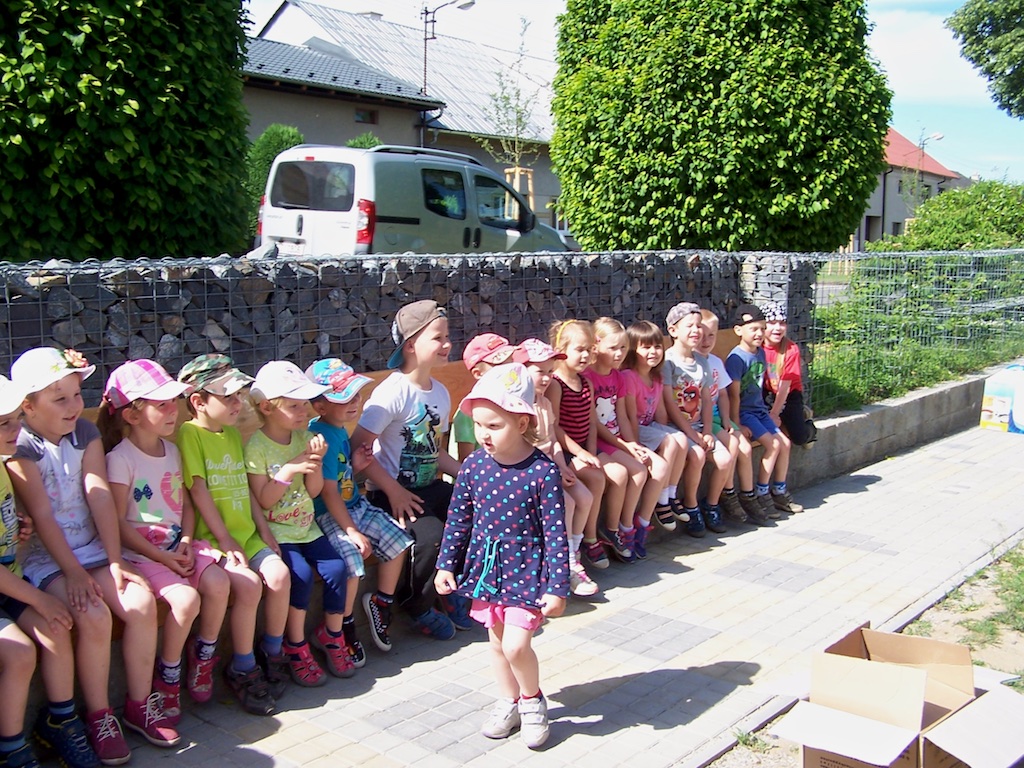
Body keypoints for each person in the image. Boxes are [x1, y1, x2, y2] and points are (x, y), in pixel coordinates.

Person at [7, 348, 178, 764]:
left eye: (75, 394)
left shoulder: (84, 433)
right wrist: (73, 573)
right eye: (59, 398)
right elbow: (42, 515)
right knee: (94, 615)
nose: (73, 405)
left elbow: (99, 495)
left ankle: (138, 704)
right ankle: (99, 716)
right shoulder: (21, 446)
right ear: (28, 405)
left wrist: (116, 560)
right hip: (48, 559)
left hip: (93, 550)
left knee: (140, 603)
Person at [434, 364, 569, 750]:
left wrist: (558, 587)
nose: (484, 435)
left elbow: (555, 534)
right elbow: (459, 520)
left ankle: (532, 701)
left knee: (516, 645)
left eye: (494, 426)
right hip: (487, 570)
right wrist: (446, 564)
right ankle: (508, 701)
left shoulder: (542, 472)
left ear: (522, 421)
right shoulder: (474, 466)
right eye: (479, 425)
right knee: (496, 644)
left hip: (527, 572)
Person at [99, 360, 231, 726]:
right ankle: (168, 675)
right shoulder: (119, 460)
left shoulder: (172, 451)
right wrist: (162, 556)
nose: (174, 410)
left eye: (174, 401)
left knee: (219, 583)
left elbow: (185, 505)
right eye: (162, 404)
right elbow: (118, 523)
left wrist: (186, 539)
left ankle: (203, 657)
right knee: (187, 600)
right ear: (132, 415)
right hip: (142, 555)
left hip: (178, 546)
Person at [175, 354, 286, 716]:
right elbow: (197, 490)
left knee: (279, 576)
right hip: (213, 541)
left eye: (239, 395)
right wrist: (224, 539)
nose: (238, 403)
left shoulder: (234, 435)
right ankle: (243, 666)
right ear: (198, 401)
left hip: (247, 537)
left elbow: (245, 488)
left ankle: (273, 654)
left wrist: (264, 530)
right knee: (250, 586)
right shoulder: (190, 435)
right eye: (228, 397)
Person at [0, 374, 100, 768]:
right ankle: (11, 748)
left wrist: (18, 529)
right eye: (4, 423)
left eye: (15, 419)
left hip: (10, 581)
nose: (16, 429)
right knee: (22, 651)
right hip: (11, 584)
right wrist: (39, 598)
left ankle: (61, 720)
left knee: (57, 627)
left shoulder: (2, 465)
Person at [349, 300, 460, 640]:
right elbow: (358, 450)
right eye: (438, 338)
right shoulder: (391, 394)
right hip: (391, 494)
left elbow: (435, 452)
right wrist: (394, 491)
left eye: (447, 336)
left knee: (475, 511)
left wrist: (468, 475)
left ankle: (450, 584)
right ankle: (417, 606)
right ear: (411, 345)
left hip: (428, 487)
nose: (447, 344)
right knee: (431, 538)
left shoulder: (440, 393)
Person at [245, 361, 352, 686]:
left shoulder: (305, 438)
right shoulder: (256, 447)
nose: (305, 411)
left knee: (337, 568)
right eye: (294, 406)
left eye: (305, 404)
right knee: (301, 575)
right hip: (278, 532)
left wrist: (315, 462)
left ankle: (332, 635)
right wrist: (289, 470)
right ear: (267, 408)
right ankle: (295, 644)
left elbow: (314, 491)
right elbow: (263, 500)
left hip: (307, 528)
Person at [305, 358, 414, 658]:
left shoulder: (339, 429)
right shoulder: (321, 437)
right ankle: (344, 625)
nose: (354, 402)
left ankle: (382, 603)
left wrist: (356, 467)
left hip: (355, 504)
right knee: (352, 563)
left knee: (399, 541)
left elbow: (340, 479)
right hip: (331, 515)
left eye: (355, 395)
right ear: (320, 406)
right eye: (344, 398)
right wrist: (351, 531)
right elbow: (328, 493)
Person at [513, 339, 598, 596]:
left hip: (551, 468)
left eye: (550, 371)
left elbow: (553, 442)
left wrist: (562, 466)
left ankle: (573, 554)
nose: (546, 378)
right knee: (567, 503)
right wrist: (554, 471)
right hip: (531, 474)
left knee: (585, 497)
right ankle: (564, 565)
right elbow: (526, 450)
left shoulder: (545, 404)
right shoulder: (517, 407)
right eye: (539, 371)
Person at [583, 318, 654, 562]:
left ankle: (626, 526)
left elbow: (621, 415)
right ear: (596, 346)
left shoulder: (618, 377)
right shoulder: (588, 377)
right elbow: (595, 423)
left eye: (623, 347)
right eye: (613, 348)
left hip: (616, 439)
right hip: (601, 440)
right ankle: (611, 529)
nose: (619, 353)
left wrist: (633, 444)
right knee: (624, 474)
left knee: (640, 470)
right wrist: (624, 445)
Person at [726, 305, 803, 517]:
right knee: (773, 444)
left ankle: (778, 491)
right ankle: (760, 493)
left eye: (762, 328)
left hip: (759, 410)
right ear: (738, 330)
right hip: (745, 414)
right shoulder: (736, 359)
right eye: (754, 329)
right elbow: (733, 395)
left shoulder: (759, 352)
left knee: (784, 443)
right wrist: (736, 424)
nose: (759, 333)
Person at [620, 320, 691, 546]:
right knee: (670, 441)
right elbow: (630, 416)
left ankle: (669, 494)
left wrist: (665, 431)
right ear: (633, 350)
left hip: (649, 428)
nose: (653, 352)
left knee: (680, 439)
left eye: (657, 346)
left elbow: (660, 412)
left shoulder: (657, 377)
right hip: (635, 431)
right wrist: (635, 445)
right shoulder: (629, 377)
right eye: (646, 347)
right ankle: (662, 501)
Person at [662, 303, 730, 537]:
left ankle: (711, 505)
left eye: (699, 326)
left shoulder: (702, 362)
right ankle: (690, 504)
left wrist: (708, 431)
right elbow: (669, 403)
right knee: (698, 455)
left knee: (725, 459)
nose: (696, 331)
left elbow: (707, 400)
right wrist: (693, 435)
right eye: (690, 326)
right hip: (677, 429)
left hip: (700, 427)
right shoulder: (668, 362)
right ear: (673, 330)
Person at [697, 311, 770, 526]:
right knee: (734, 446)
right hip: (703, 420)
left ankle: (747, 495)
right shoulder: (693, 363)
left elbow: (723, 395)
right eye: (702, 336)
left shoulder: (715, 362)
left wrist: (729, 420)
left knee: (745, 448)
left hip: (720, 417)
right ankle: (727, 494)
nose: (706, 341)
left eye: (711, 336)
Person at [545, 320, 608, 571]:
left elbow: (592, 422)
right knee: (593, 480)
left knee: (599, 475)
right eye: (579, 349)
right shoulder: (555, 384)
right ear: (561, 350)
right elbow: (555, 427)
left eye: (589, 350)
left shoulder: (586, 382)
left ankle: (589, 537)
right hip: (564, 452)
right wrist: (580, 452)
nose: (585, 355)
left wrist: (590, 452)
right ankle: (579, 544)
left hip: (581, 449)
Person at [760, 302, 817, 447]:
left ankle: (808, 426)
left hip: (789, 394)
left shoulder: (791, 349)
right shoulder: (758, 347)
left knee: (799, 437)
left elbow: (785, 387)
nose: (778, 328)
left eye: (782, 323)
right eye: (772, 323)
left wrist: (774, 414)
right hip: (767, 391)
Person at [454, 334, 516, 462]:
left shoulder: (514, 401)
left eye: (510, 365)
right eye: (500, 366)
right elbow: (466, 460)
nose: (508, 372)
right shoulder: (468, 410)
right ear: (478, 373)